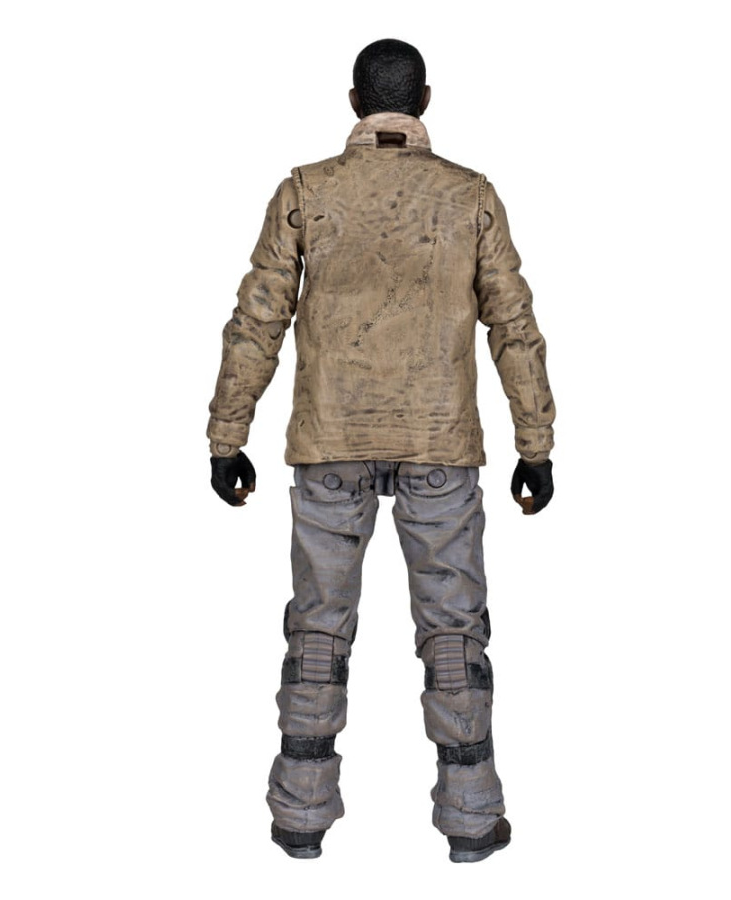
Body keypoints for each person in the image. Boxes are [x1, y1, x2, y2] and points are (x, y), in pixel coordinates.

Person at [207, 38, 555, 863]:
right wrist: (534, 443)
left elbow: (257, 318)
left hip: (329, 438)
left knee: (318, 628)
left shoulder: (306, 191)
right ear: (424, 100)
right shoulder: (471, 196)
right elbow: (513, 325)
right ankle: (471, 818)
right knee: (454, 631)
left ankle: (300, 815)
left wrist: (229, 434)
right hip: (441, 440)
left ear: (354, 103)